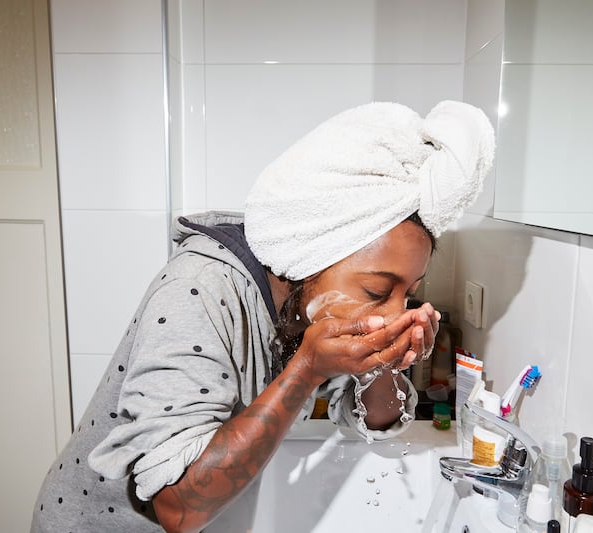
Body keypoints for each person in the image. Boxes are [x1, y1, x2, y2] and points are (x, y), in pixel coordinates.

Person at [31, 100, 494, 533]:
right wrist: (306, 370)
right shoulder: (200, 290)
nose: (394, 311)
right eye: (377, 290)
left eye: (409, 293)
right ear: (310, 256)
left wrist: (382, 363)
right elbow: (176, 507)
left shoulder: (307, 306)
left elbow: (367, 422)